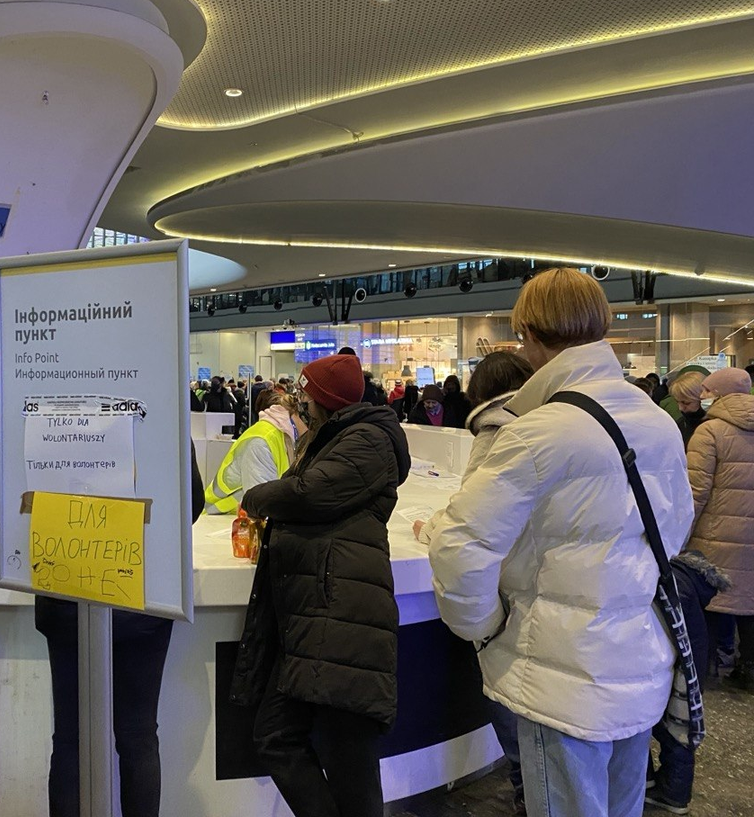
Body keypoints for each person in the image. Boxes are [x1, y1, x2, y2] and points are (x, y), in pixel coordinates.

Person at [425, 268, 693, 817]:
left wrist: (485, 627)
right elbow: (675, 526)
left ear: (527, 332)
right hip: (639, 658)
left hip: (559, 675)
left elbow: (459, 546)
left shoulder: (535, 431)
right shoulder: (656, 420)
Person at [231, 353, 410, 817]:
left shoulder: (367, 439)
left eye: (307, 394)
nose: (301, 402)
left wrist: (257, 498)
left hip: (343, 613)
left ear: (325, 399)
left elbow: (308, 493)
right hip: (316, 614)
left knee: (349, 759)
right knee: (276, 736)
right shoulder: (334, 437)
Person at [35, 446, 203, 817]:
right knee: (137, 735)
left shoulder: (49, 418)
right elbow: (190, 503)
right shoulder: (160, 419)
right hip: (140, 590)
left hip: (65, 582)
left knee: (70, 738)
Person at [412, 350, 533, 812]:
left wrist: (434, 529)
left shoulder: (498, 432)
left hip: (513, 590)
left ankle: (527, 794)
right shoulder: (554, 420)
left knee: (510, 697)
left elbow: (474, 518)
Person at [685, 366, 754, 691]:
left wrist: (681, 533)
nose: (703, 396)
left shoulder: (710, 432)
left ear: (719, 394)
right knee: (749, 602)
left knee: (711, 601)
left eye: (707, 391)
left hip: (716, 533)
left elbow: (696, 490)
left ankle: (705, 670)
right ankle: (749, 669)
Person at [646, 550, 730, 814]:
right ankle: (666, 788)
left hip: (673, 668)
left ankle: (672, 793)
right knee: (677, 729)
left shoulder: (665, 581)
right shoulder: (683, 581)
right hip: (689, 668)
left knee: (672, 731)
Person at [204, 393, 303, 515]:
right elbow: (263, 504)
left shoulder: (285, 437)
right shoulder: (261, 442)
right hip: (221, 516)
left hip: (240, 516)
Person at [669, 371, 708, 448]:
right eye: (677, 402)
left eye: (686, 403)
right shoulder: (679, 425)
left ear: (703, 400)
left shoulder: (719, 427)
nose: (680, 408)